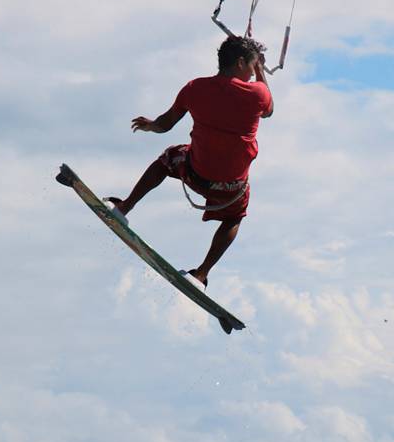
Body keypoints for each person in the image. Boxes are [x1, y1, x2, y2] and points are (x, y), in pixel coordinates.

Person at [106, 35, 273, 289]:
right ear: (241, 62)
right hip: (231, 189)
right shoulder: (257, 93)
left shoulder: (195, 88)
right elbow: (269, 110)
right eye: (251, 66)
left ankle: (124, 208)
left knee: (168, 157)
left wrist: (150, 126)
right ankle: (201, 274)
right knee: (234, 218)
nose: (252, 72)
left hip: (196, 174)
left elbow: (165, 123)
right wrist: (262, 71)